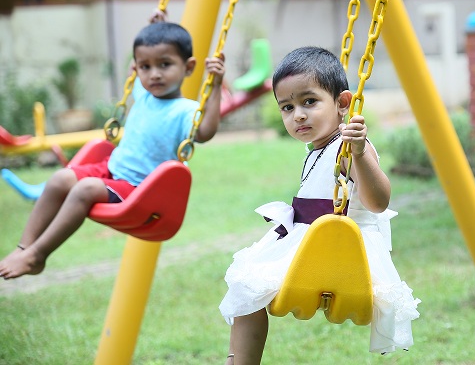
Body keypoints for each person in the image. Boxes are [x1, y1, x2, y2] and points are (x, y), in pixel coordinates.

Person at [218, 46, 420, 364]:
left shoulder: (350, 147)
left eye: (309, 102)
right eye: (287, 107)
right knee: (246, 286)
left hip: (342, 254)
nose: (298, 114)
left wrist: (360, 154)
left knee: (250, 284)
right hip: (313, 248)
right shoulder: (316, 149)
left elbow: (378, 202)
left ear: (342, 104)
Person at [0, 22, 225, 280]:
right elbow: (137, 67)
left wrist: (216, 85)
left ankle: (37, 255)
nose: (154, 74)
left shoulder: (186, 110)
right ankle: (24, 247)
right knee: (60, 178)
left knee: (84, 189)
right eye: (145, 67)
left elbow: (205, 132)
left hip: (139, 188)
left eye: (165, 64)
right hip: (110, 169)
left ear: (189, 67)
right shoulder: (144, 94)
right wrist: (153, 24)